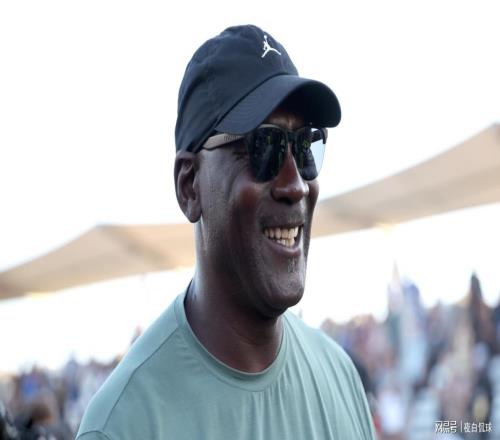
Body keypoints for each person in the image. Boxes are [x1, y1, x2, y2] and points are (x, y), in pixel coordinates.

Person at [76, 25, 376, 439]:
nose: (295, 185)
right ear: (189, 185)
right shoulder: (126, 424)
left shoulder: (339, 377)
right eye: (264, 147)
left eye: (305, 146)